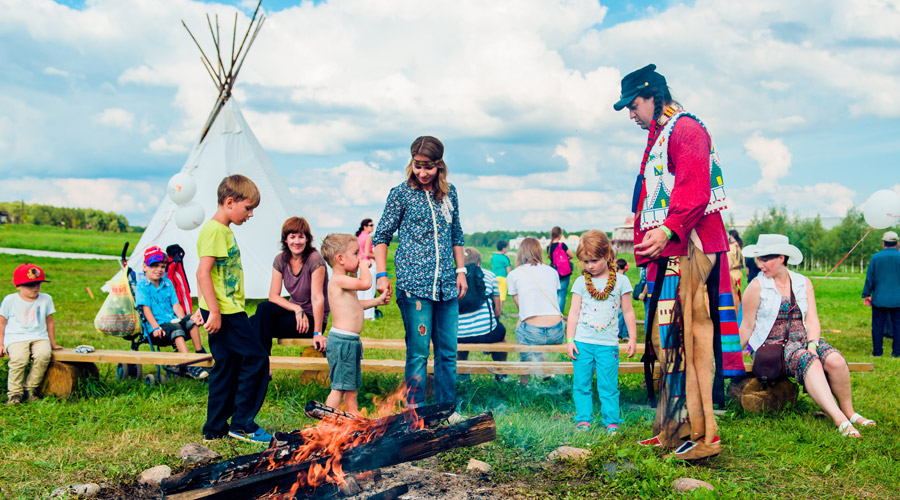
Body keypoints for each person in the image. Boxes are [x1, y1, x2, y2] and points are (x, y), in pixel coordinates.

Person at [614, 63, 744, 460]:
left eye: (634, 105)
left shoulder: (686, 129)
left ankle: (706, 436)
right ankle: (673, 427)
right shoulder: (661, 134)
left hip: (692, 250)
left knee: (694, 341)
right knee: (666, 342)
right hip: (671, 254)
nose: (631, 115)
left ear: (654, 95)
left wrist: (669, 230)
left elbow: (694, 188)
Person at [740, 234, 876, 437]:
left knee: (836, 360)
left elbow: (812, 319)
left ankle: (850, 412)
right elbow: (747, 325)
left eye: (765, 259)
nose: (761, 264)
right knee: (808, 360)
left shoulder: (803, 282)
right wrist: (731, 355)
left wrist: (812, 343)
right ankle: (839, 419)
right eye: (759, 259)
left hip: (803, 339)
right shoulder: (756, 287)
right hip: (772, 345)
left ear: (781, 258)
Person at [373, 136, 466, 409]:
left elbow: (456, 234)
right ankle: (414, 412)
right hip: (414, 285)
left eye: (429, 167)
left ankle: (446, 410)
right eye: (417, 166)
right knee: (418, 353)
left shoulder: (451, 194)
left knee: (448, 353)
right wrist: (382, 275)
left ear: (439, 166)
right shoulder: (400, 194)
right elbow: (381, 236)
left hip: (447, 285)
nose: (422, 173)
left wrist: (461, 271)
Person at [192, 174, 272, 444]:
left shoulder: (222, 230)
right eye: (248, 208)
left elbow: (205, 274)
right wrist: (212, 311)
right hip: (225, 312)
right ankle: (242, 423)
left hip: (222, 308)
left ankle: (214, 428)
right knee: (258, 358)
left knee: (226, 366)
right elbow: (203, 272)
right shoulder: (215, 230)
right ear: (229, 201)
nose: (250, 214)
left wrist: (202, 306)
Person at [567, 231, 637, 434]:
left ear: (607, 255)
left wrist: (632, 337)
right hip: (582, 343)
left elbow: (628, 311)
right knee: (581, 384)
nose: (589, 266)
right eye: (585, 261)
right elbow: (573, 313)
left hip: (607, 345)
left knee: (608, 386)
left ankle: (612, 421)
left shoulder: (621, 281)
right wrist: (570, 339)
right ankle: (583, 420)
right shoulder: (581, 283)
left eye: (594, 261)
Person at [320, 234, 389, 414]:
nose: (359, 258)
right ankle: (324, 420)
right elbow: (365, 283)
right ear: (340, 259)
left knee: (351, 388)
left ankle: (353, 420)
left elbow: (356, 306)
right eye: (356, 253)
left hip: (350, 342)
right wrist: (364, 265)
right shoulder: (337, 280)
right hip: (342, 343)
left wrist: (378, 301)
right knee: (339, 387)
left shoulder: (345, 282)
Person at [252, 217, 329, 354]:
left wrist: (317, 332)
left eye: (301, 237)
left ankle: (262, 366)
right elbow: (273, 296)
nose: (297, 242)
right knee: (260, 312)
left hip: (311, 319)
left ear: (307, 239)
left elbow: (318, 298)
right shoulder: (280, 259)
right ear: (285, 239)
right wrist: (296, 308)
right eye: (292, 237)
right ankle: (261, 363)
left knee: (255, 323)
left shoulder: (314, 259)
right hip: (295, 313)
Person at [135, 246, 209, 380]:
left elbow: (176, 306)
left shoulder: (167, 283)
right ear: (145, 267)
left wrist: (184, 321)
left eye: (162, 266)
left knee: (190, 320)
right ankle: (188, 364)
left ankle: (199, 354)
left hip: (172, 322)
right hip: (157, 329)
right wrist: (156, 327)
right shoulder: (142, 286)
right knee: (175, 328)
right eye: (154, 266)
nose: (159, 270)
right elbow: (146, 310)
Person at [0, 264, 62, 405]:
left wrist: (53, 343)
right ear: (18, 286)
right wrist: (1, 343)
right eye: (30, 285)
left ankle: (31, 389)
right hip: (16, 337)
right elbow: (1, 323)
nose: (35, 288)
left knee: (44, 355)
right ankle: (14, 394)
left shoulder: (46, 299)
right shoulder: (10, 300)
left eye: (38, 284)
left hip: (39, 336)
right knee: (19, 358)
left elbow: (50, 322)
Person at [507, 237, 564, 386]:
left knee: (524, 325)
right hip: (557, 332)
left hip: (533, 334)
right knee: (535, 329)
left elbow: (522, 309)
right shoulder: (552, 271)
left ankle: (524, 381)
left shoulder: (514, 274)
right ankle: (545, 371)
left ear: (520, 253)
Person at [458, 247, 508, 382]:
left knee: (461, 334)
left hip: (459, 335)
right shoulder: (490, 275)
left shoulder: (453, 277)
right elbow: (497, 312)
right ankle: (501, 374)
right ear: (479, 264)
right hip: (487, 333)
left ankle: (462, 376)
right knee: (502, 336)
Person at [862, 230, 900, 357]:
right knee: (898, 326)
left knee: (877, 327)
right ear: (897, 243)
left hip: (879, 299)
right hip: (898, 300)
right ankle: (897, 352)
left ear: (883, 243)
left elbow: (870, 278)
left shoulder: (876, 257)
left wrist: (867, 294)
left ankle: (877, 352)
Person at [547, 227, 575, 314]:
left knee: (554, 293)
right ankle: (559, 315)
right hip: (563, 272)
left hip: (553, 270)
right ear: (559, 235)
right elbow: (572, 255)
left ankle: (552, 313)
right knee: (562, 294)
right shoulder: (562, 245)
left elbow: (549, 257)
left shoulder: (549, 246)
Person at [356, 218, 378, 321]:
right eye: (370, 225)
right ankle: (369, 315)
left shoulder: (359, 237)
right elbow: (367, 253)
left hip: (360, 264)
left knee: (360, 290)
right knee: (370, 290)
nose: (372, 227)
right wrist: (378, 256)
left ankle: (359, 313)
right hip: (369, 264)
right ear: (365, 226)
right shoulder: (368, 237)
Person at [490, 240, 513, 309]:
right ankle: (499, 311)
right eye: (507, 247)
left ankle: (494, 309)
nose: (507, 249)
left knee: (495, 294)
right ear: (504, 248)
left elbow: (492, 266)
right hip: (503, 278)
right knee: (502, 295)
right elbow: (508, 270)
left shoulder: (493, 257)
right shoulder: (505, 258)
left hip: (494, 277)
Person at [727, 229, 745, 311]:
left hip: (732, 274)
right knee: (738, 295)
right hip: (739, 273)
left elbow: (729, 263)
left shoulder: (731, 247)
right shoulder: (739, 247)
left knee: (733, 297)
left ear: (731, 236)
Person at [615, 258, 631, 341]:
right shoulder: (625, 278)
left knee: (619, 316)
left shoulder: (613, 277)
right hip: (623, 300)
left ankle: (619, 334)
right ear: (625, 267)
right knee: (625, 316)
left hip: (616, 300)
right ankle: (623, 335)